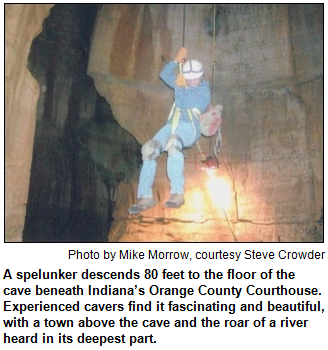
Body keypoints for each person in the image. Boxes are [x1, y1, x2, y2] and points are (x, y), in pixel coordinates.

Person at [128, 47, 211, 215]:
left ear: (201, 76)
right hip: (172, 125)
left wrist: (180, 85)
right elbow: (164, 75)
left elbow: (184, 103)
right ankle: (145, 197)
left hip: (190, 128)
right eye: (190, 79)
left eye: (196, 78)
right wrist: (175, 61)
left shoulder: (204, 91)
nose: (193, 81)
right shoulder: (183, 83)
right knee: (149, 149)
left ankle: (177, 193)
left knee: (173, 144)